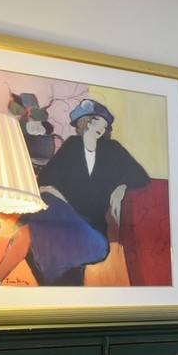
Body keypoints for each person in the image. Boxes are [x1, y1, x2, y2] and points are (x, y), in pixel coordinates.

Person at [32, 99, 152, 285]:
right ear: (85, 121)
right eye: (97, 121)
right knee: (47, 199)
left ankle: (57, 281)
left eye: (105, 125)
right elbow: (44, 181)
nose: (102, 128)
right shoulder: (72, 145)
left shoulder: (113, 149)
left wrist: (121, 187)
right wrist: (54, 193)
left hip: (94, 224)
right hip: (66, 217)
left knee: (92, 246)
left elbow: (141, 176)